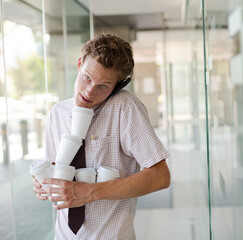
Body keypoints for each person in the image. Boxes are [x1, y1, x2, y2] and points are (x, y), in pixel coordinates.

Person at [32, 33, 171, 239]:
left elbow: (161, 177)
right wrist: (42, 184)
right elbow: (54, 168)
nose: (89, 92)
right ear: (80, 64)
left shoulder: (124, 107)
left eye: (103, 86)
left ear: (116, 87)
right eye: (86, 77)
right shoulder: (57, 113)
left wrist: (90, 191)